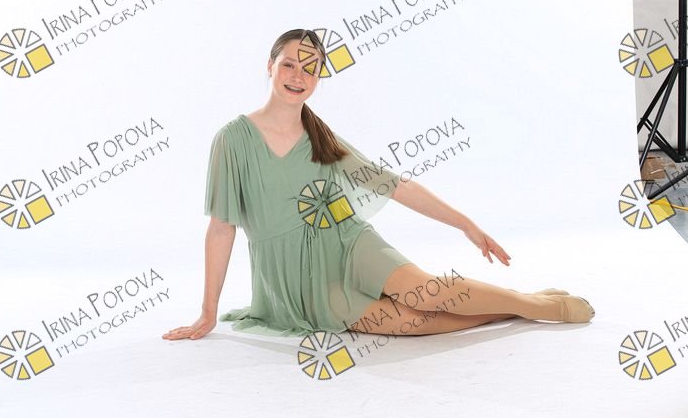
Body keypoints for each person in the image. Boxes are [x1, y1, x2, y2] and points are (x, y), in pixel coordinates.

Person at [162, 29, 594, 341]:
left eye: (310, 69)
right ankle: (514, 306)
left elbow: (396, 186)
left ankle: (540, 305)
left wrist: (466, 224)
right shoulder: (232, 140)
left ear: (319, 78)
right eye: (289, 64)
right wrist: (207, 312)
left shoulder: (321, 138)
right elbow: (221, 228)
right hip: (297, 281)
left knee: (424, 293)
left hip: (349, 243)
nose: (298, 76)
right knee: (413, 323)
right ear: (270, 65)